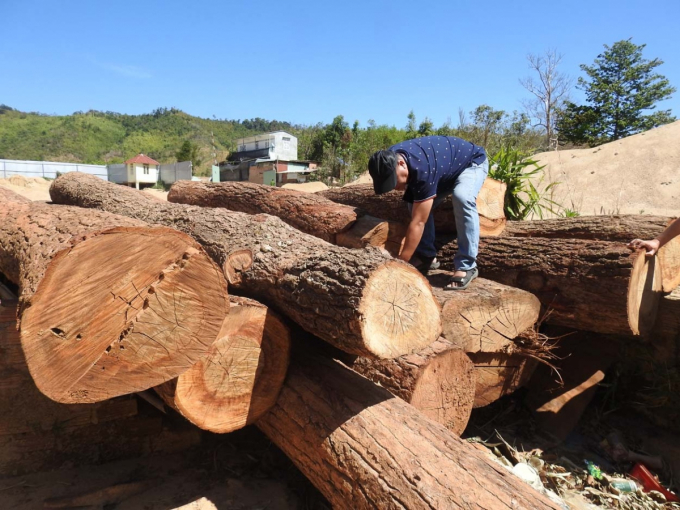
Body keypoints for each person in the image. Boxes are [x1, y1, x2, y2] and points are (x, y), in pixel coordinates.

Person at [368, 135, 488, 290]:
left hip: (471, 163)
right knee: (413, 202)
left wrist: (401, 262)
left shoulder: (422, 169)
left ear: (401, 164)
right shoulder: (387, 159)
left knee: (462, 197)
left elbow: (418, 222)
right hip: (443, 170)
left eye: (394, 181)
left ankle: (467, 266)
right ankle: (426, 256)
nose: (394, 187)